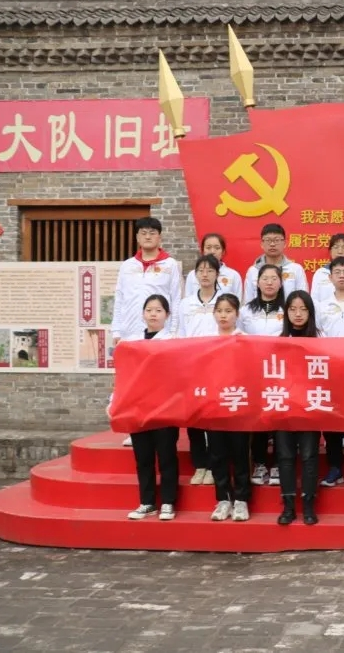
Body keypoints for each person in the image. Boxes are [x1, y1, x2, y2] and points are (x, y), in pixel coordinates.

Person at [111, 217, 182, 448]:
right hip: (131, 332)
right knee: (133, 383)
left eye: (152, 232)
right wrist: (117, 330)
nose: (148, 236)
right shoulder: (127, 265)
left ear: (160, 237)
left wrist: (174, 331)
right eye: (143, 233)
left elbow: (176, 299)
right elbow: (120, 298)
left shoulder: (170, 265)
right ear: (137, 237)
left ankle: (158, 425)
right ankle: (135, 429)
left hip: (160, 334)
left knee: (157, 383)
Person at [112, 295, 179, 521]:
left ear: (167, 315)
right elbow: (123, 376)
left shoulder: (174, 342)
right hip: (138, 409)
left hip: (164, 409)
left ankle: (168, 502)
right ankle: (147, 502)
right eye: (149, 310)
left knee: (167, 456)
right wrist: (114, 401)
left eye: (158, 310)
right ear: (143, 314)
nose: (153, 314)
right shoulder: (132, 343)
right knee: (143, 457)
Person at [274, 291, 322, 526]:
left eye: (303, 309)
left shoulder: (320, 341)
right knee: (285, 456)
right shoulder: (278, 341)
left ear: (310, 312)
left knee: (309, 456)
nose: (298, 314)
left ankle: (309, 505)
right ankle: (289, 506)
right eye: (293, 309)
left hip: (310, 406)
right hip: (284, 406)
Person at [312, 256, 344, 488]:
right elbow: (317, 334)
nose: (341, 275)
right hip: (329, 368)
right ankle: (335, 466)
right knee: (330, 416)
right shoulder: (321, 306)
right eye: (337, 272)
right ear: (330, 277)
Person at [239, 264, 286, 487]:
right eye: (265, 278)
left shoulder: (288, 308)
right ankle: (259, 462)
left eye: (274, 278)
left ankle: (277, 462)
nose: (269, 282)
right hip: (254, 370)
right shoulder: (246, 310)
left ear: (281, 282)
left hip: (281, 370)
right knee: (258, 417)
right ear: (257, 283)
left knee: (279, 415)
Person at [178, 254, 222, 486]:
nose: (205, 275)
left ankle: (214, 465)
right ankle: (200, 465)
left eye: (210, 270)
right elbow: (180, 334)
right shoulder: (186, 304)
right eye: (201, 270)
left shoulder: (224, 301)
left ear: (217, 274)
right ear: (195, 275)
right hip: (192, 366)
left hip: (217, 367)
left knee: (214, 418)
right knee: (194, 418)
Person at [207, 293, 251, 522]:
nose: (223, 315)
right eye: (219, 311)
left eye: (228, 311)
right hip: (214, 406)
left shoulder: (245, 340)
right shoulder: (205, 341)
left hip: (238, 404)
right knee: (217, 454)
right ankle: (223, 499)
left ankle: (242, 500)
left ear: (237, 314)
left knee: (240, 453)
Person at [243, 223, 308, 303]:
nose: (272, 244)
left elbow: (303, 300)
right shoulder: (253, 271)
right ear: (262, 244)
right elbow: (248, 302)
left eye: (277, 240)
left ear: (284, 243)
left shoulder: (296, 269)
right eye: (268, 240)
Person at [184, 232, 244, 301]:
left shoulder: (233, 275)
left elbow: (238, 302)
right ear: (203, 251)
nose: (212, 251)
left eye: (217, 248)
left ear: (223, 251)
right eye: (208, 248)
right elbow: (188, 300)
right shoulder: (192, 275)